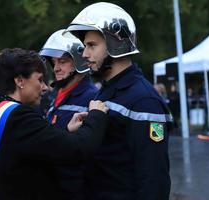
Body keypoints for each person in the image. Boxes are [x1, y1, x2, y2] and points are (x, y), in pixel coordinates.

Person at [65, 2, 172, 199]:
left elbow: (153, 179)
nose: (84, 54)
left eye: (92, 46)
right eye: (84, 46)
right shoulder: (106, 91)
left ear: (117, 43)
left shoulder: (143, 100)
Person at [0, 48, 109, 200]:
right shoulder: (19, 117)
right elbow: (77, 149)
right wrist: (96, 115)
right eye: (39, 80)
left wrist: (65, 130)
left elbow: (33, 146)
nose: (45, 87)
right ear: (19, 81)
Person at [39, 29, 98, 200]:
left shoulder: (91, 97)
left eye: (62, 62)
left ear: (79, 62)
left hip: (77, 188)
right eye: (54, 62)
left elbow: (86, 148)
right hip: (55, 185)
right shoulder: (54, 95)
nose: (56, 68)